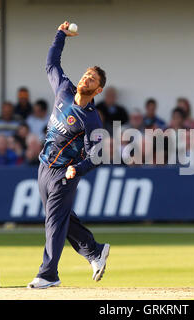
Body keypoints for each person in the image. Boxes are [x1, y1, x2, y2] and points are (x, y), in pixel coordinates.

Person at [28, 21, 110, 289]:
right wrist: (60, 35)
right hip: (44, 167)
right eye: (86, 74)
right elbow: (51, 64)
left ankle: (48, 274)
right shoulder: (63, 89)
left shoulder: (91, 120)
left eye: (93, 79)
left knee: (54, 222)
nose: (87, 78)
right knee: (62, 219)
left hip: (66, 173)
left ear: (98, 90)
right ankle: (95, 251)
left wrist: (79, 169)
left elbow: (97, 155)